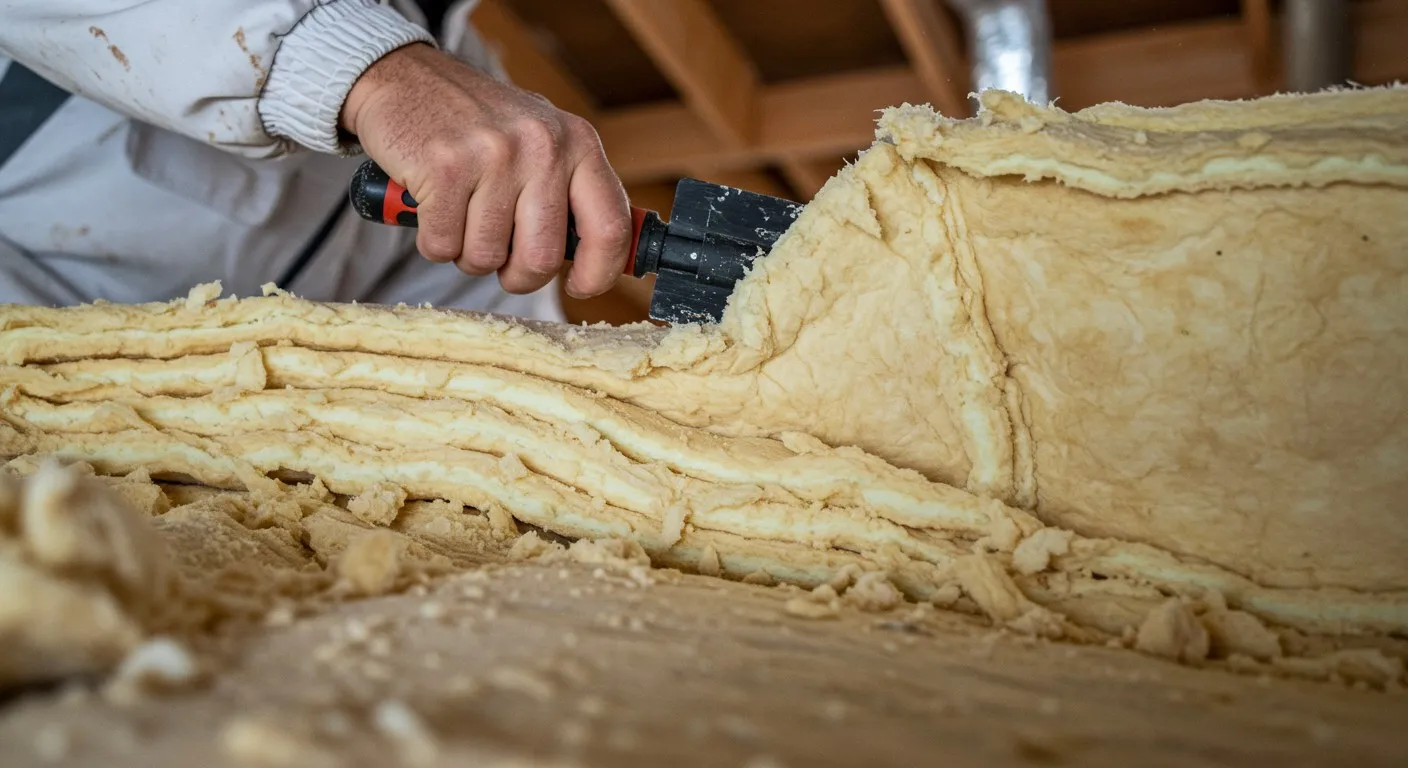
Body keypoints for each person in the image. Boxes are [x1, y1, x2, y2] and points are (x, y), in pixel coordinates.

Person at [0, 0, 633, 321]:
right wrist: (380, 75)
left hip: (148, 465)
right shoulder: (451, 99)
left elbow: (480, 338)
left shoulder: (486, 123)